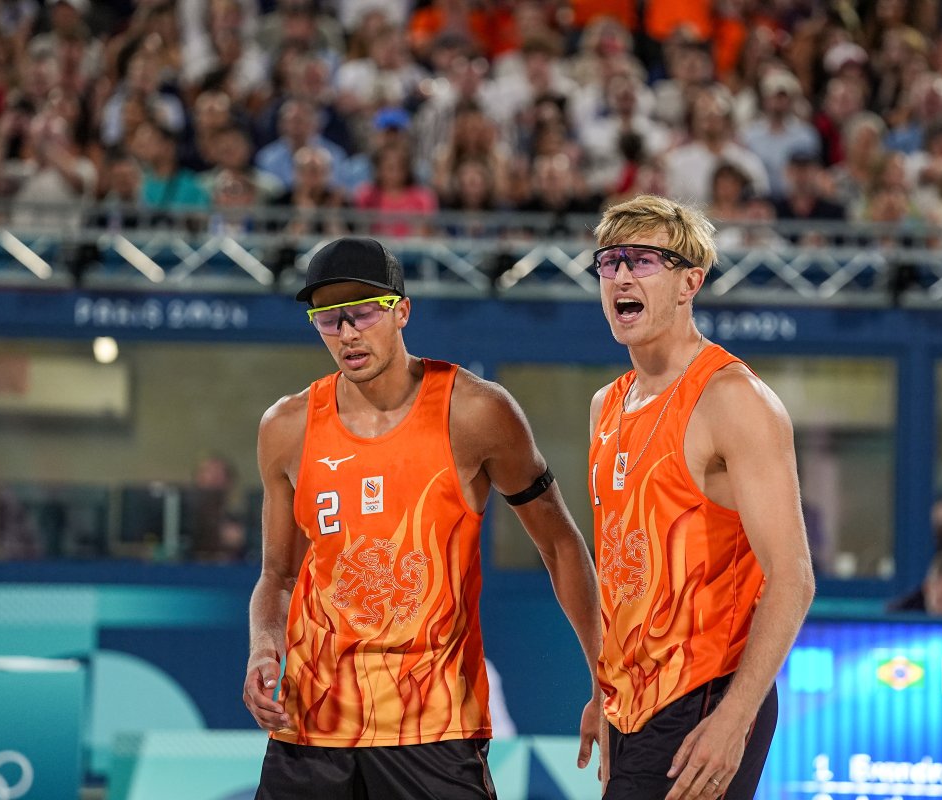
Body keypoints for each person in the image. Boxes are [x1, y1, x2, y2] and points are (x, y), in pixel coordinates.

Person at [243, 237, 603, 798]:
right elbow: (279, 576)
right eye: (329, 319)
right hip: (309, 730)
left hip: (433, 729)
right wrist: (264, 644)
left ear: (402, 311)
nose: (347, 333)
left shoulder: (476, 411)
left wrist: (604, 680)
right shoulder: (286, 427)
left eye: (363, 313)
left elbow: (560, 545)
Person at [588, 195, 816, 799]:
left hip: (705, 696)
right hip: (633, 705)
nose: (622, 276)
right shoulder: (606, 407)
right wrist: (603, 692)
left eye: (643, 260)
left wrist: (736, 717)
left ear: (692, 280)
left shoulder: (732, 399)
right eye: (609, 262)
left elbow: (792, 579)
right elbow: (621, 574)